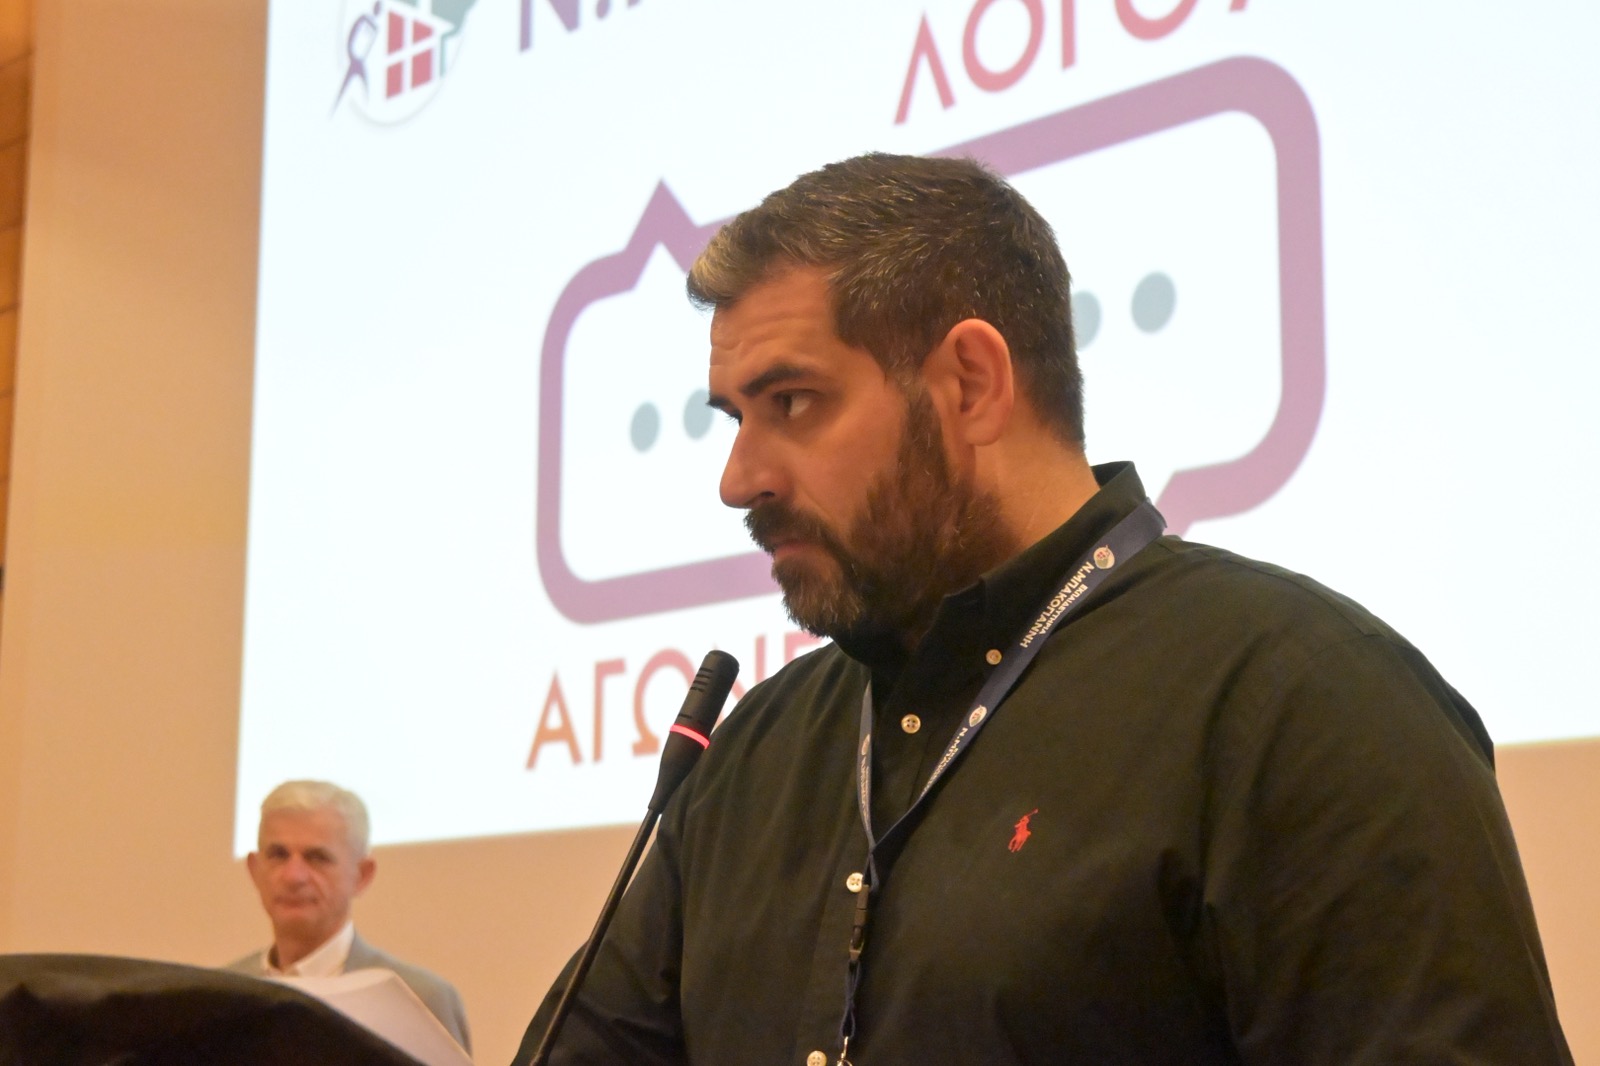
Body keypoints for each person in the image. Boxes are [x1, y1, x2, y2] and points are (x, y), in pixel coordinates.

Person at [515, 153, 1570, 1064]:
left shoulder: (1305, 702)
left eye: (792, 403)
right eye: (734, 419)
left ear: (971, 382)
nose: (738, 478)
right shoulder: (752, 754)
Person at [226, 779, 471, 1052]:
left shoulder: (419, 1000)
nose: (294, 876)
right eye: (278, 855)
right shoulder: (220, 995)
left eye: (317, 857)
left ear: (362, 875)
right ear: (254, 870)